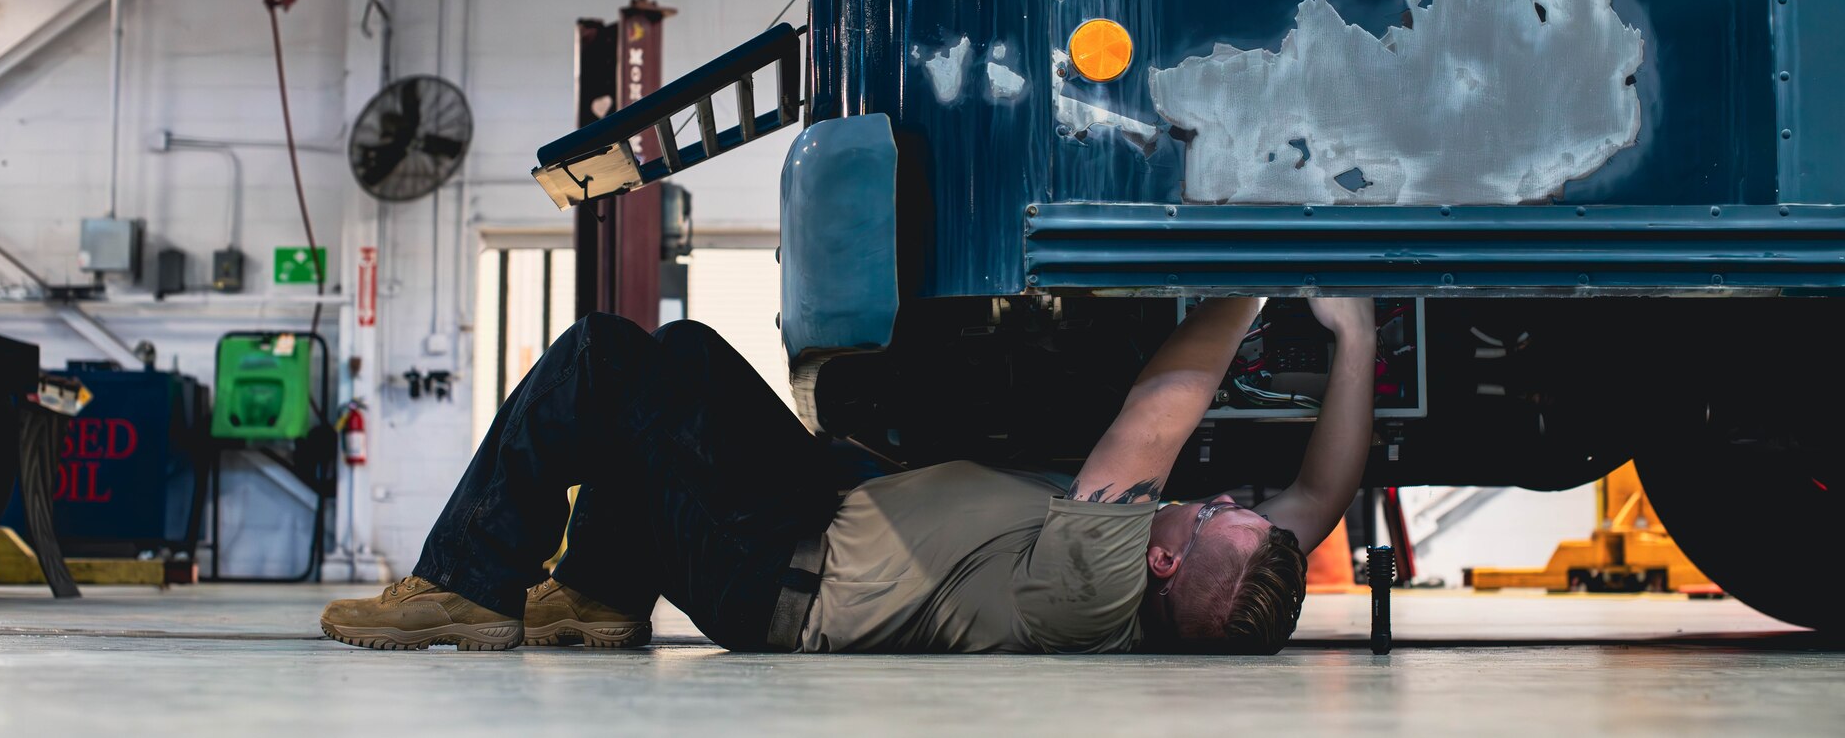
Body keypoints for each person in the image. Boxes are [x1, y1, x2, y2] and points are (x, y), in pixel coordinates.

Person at [319, 296, 1378, 654]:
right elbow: (1315, 503)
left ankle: (464, 584)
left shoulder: (1091, 579)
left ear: (1157, 557)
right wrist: (1357, 333)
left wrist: (1250, 264)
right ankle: (597, 595)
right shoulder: (1181, 588)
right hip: (816, 518)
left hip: (774, 573)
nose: (1227, 502)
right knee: (682, 360)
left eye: (1212, 521)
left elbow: (1154, 416)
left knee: (605, 359)